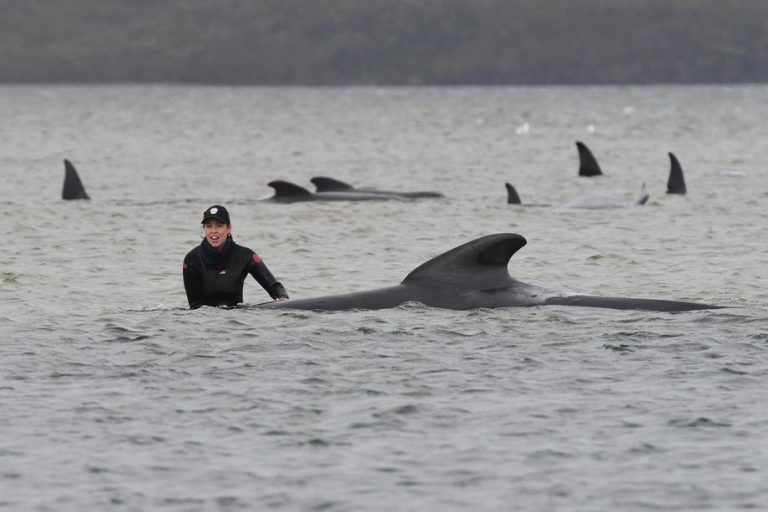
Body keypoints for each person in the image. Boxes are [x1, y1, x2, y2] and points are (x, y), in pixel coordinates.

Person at [183, 205, 289, 309]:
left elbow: (275, 287)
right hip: (205, 323)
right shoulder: (192, 260)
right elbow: (195, 307)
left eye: (219, 225)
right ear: (204, 229)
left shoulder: (245, 256)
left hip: (237, 321)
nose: (213, 230)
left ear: (229, 228)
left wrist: (286, 306)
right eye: (208, 226)